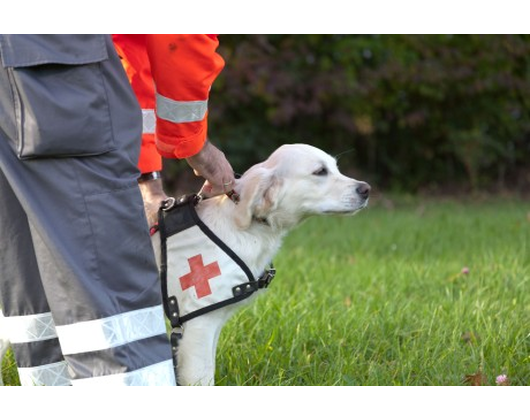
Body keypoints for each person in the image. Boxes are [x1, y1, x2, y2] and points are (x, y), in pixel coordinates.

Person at [0, 34, 233, 385]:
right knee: (112, 295)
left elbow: (133, 49)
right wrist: (192, 142)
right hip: (54, 69)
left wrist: (147, 177)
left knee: (27, 259)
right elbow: (176, 36)